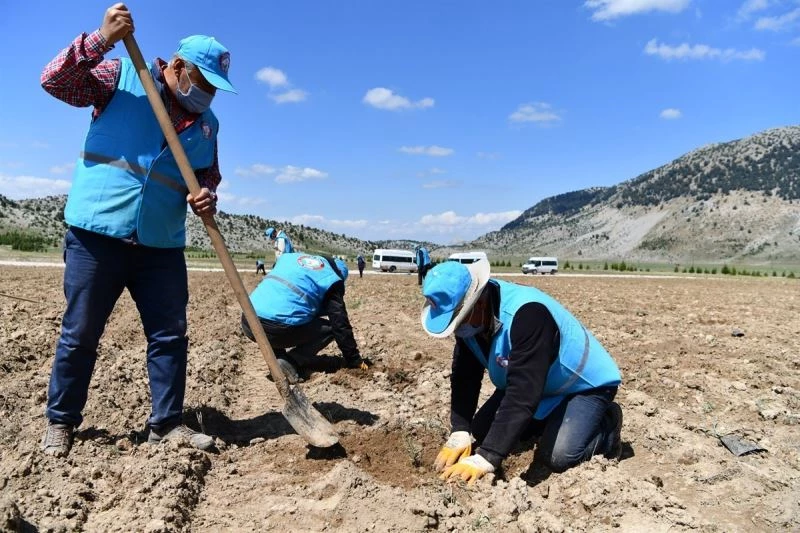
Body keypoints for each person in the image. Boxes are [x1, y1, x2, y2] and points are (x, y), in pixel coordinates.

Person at [39, 4, 236, 457]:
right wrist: (100, 40)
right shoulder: (122, 76)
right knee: (80, 332)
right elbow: (55, 81)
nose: (206, 94)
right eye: (202, 83)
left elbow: (210, 175)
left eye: (213, 89)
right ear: (179, 66)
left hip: (160, 244)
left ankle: (166, 425)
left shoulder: (208, 124)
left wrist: (206, 194)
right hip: (97, 233)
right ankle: (61, 422)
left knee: (170, 336)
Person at [421, 260, 622, 485]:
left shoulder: (528, 315)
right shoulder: (472, 323)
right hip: (539, 382)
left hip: (583, 386)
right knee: (479, 433)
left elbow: (522, 394)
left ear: (477, 301)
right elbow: (465, 376)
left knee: (559, 457)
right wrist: (460, 429)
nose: (458, 329)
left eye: (460, 318)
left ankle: (607, 426)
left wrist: (488, 457)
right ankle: (550, 419)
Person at [242, 252, 371, 383]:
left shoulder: (290, 258)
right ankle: (290, 361)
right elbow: (339, 323)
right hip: (277, 330)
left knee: (288, 310)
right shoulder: (331, 279)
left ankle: (278, 357)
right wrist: (353, 358)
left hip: (249, 322)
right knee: (331, 329)